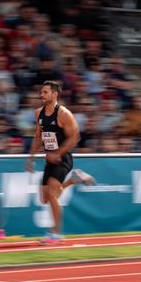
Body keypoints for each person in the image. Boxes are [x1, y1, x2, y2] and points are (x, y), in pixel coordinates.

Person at [25, 80, 94, 245]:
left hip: (63, 158)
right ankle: (75, 179)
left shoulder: (63, 114)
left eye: (45, 92)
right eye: (41, 92)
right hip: (50, 159)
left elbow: (74, 137)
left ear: (55, 94)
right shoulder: (38, 113)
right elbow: (37, 137)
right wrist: (31, 158)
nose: (41, 95)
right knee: (45, 198)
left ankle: (55, 233)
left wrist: (57, 153)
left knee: (54, 195)